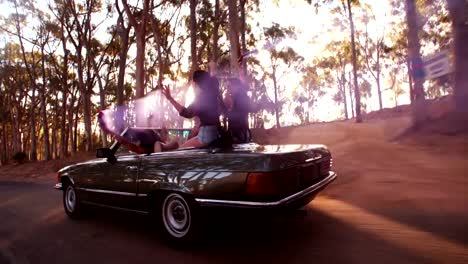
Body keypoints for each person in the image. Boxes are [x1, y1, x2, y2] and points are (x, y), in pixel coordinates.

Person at [161, 70, 221, 148]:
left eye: (193, 82)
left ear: (196, 83)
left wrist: (170, 99)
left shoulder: (201, 98)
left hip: (206, 135)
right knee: (183, 148)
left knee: (181, 151)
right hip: (215, 132)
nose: (192, 85)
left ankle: (169, 148)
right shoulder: (213, 95)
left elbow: (186, 113)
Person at [224, 78, 254, 144]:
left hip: (239, 133)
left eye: (229, 86)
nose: (228, 88)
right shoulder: (237, 97)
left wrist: (225, 110)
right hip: (240, 132)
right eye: (227, 87)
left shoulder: (240, 98)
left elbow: (236, 115)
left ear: (236, 86)